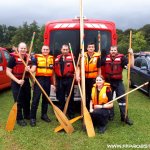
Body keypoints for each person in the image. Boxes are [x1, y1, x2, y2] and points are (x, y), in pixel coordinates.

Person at [101, 45, 134, 125]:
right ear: (110, 51)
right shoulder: (106, 58)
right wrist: (100, 55)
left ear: (117, 51)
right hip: (108, 82)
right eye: (112, 50)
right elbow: (99, 65)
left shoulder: (122, 58)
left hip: (118, 82)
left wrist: (132, 54)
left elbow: (131, 66)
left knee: (122, 100)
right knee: (109, 99)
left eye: (114, 50)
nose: (113, 51)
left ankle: (124, 117)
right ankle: (110, 115)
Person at [6, 42, 31, 126]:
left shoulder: (28, 58)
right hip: (16, 82)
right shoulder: (13, 59)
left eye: (24, 48)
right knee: (19, 100)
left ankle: (27, 115)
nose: (23, 50)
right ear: (18, 49)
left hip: (26, 81)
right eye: (21, 48)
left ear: (26, 49)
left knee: (27, 99)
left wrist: (29, 69)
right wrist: (17, 81)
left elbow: (30, 73)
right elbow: (8, 72)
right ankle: (19, 118)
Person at [29, 45, 54, 127]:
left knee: (46, 99)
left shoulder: (51, 58)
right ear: (41, 50)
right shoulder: (36, 58)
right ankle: (32, 118)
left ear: (49, 50)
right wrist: (29, 70)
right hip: (39, 79)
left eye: (47, 49)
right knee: (36, 99)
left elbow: (53, 71)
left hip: (47, 80)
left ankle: (44, 115)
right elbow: (33, 68)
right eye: (44, 49)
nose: (45, 50)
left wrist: (54, 83)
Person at [76, 42, 101, 110]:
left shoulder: (97, 57)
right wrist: (77, 76)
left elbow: (99, 69)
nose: (91, 48)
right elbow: (78, 67)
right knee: (84, 94)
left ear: (94, 48)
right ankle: (84, 109)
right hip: (84, 79)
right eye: (89, 47)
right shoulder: (82, 56)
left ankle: (92, 109)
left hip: (93, 79)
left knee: (92, 94)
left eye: (92, 47)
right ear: (87, 48)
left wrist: (99, 78)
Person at [54, 44, 75, 119]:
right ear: (61, 50)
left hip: (69, 79)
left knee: (70, 97)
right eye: (64, 49)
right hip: (60, 80)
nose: (65, 51)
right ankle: (61, 113)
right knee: (60, 97)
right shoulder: (57, 58)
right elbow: (54, 72)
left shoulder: (72, 58)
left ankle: (71, 113)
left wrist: (78, 75)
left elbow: (77, 67)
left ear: (68, 50)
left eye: (66, 49)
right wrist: (54, 83)